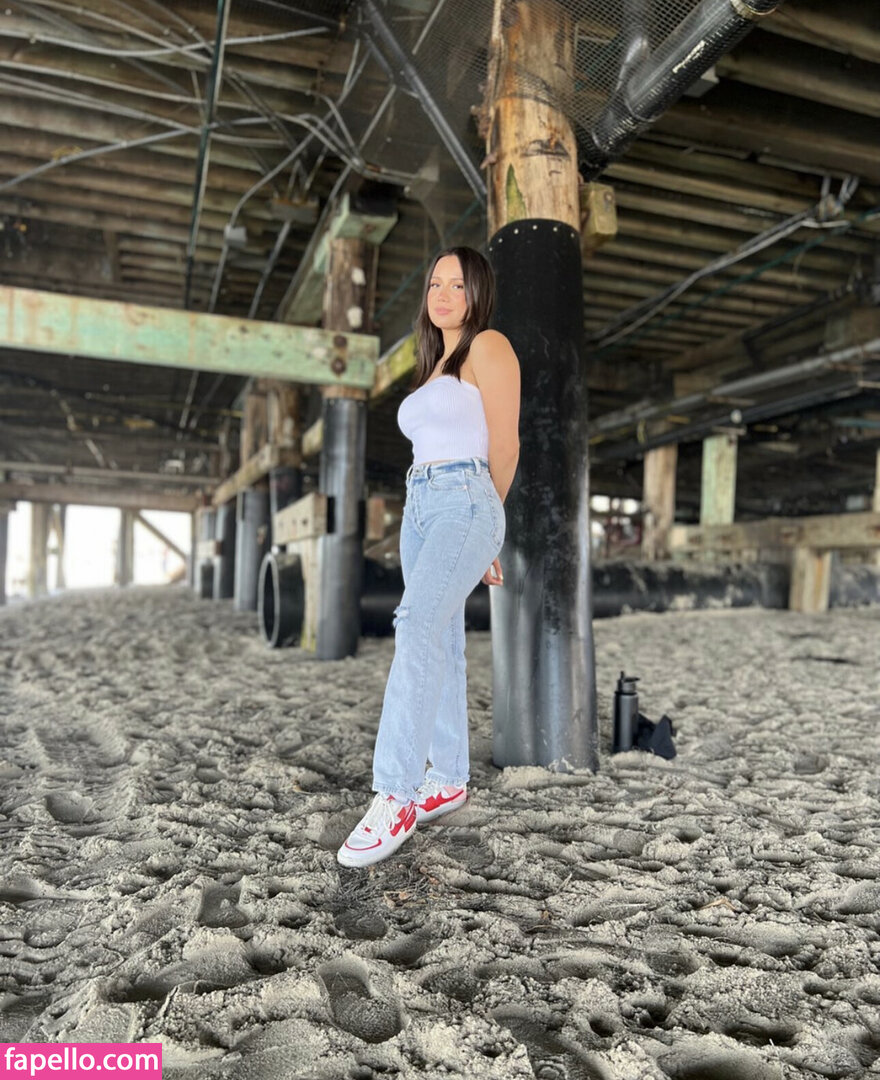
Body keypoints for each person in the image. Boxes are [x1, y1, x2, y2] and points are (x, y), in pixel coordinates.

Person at [337, 246, 521, 869]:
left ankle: (396, 794)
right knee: (439, 636)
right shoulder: (435, 362)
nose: (442, 294)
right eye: (435, 283)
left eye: (457, 285)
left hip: (466, 497)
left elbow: (506, 444)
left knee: (415, 624)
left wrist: (488, 527)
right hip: (421, 503)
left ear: (478, 293)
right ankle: (447, 776)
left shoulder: (488, 346)